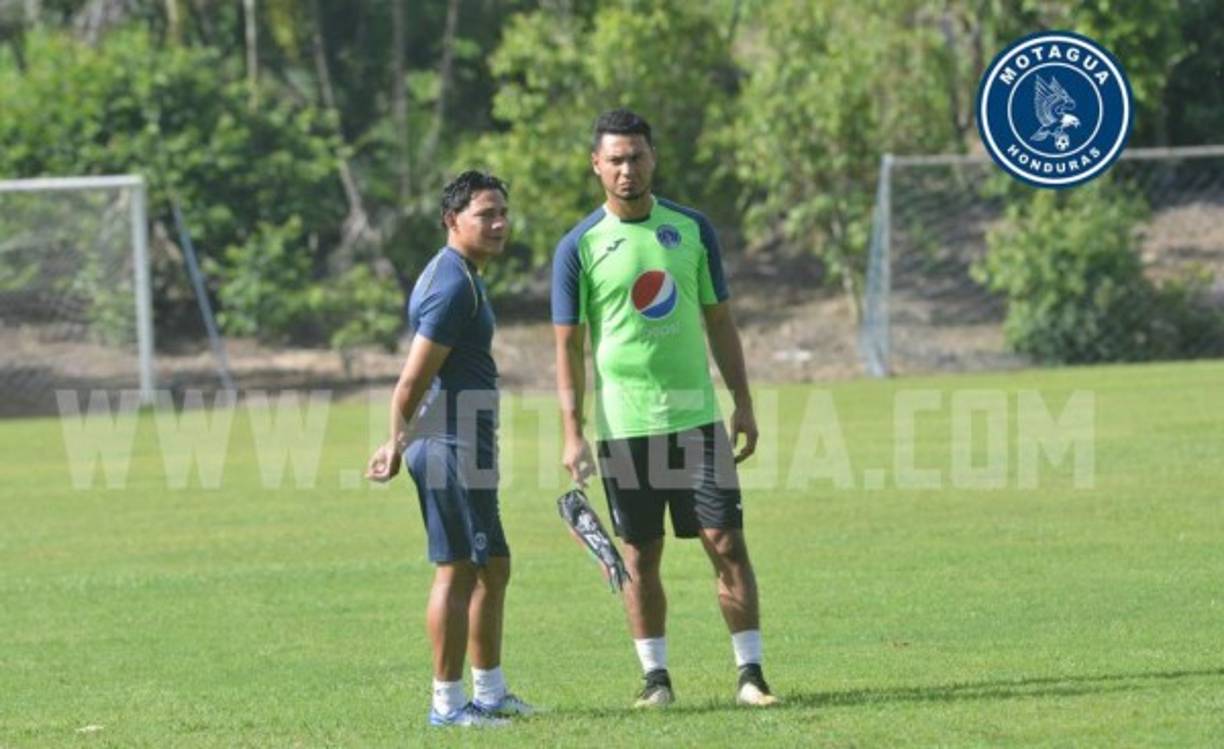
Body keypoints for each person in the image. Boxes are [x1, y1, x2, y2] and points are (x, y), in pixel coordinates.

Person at [551, 109, 778, 708]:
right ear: (596, 165)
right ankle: (656, 680)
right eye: (616, 159)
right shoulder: (578, 247)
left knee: (726, 542)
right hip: (625, 429)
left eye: (638, 156)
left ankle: (751, 675)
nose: (628, 169)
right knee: (639, 554)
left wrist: (745, 403)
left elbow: (720, 320)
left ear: (654, 158)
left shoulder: (693, 229)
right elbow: (567, 347)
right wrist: (572, 433)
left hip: (697, 421)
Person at [366, 170, 533, 727]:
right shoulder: (452, 284)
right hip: (449, 444)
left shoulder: (463, 274)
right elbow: (411, 381)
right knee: (457, 571)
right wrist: (396, 442)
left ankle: (490, 692)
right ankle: (447, 704)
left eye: (502, 213)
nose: (499, 223)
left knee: (495, 566)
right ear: (451, 220)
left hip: (464, 441)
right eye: (486, 214)